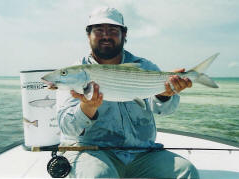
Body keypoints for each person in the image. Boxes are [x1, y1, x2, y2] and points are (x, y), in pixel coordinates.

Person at [56, 6, 199, 178]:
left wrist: (164, 94)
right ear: (89, 35)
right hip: (94, 153)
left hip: (142, 153)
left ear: (124, 34)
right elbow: (67, 128)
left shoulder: (144, 66)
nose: (106, 36)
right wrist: (87, 108)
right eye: (99, 30)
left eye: (113, 30)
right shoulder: (73, 74)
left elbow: (165, 110)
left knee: (187, 172)